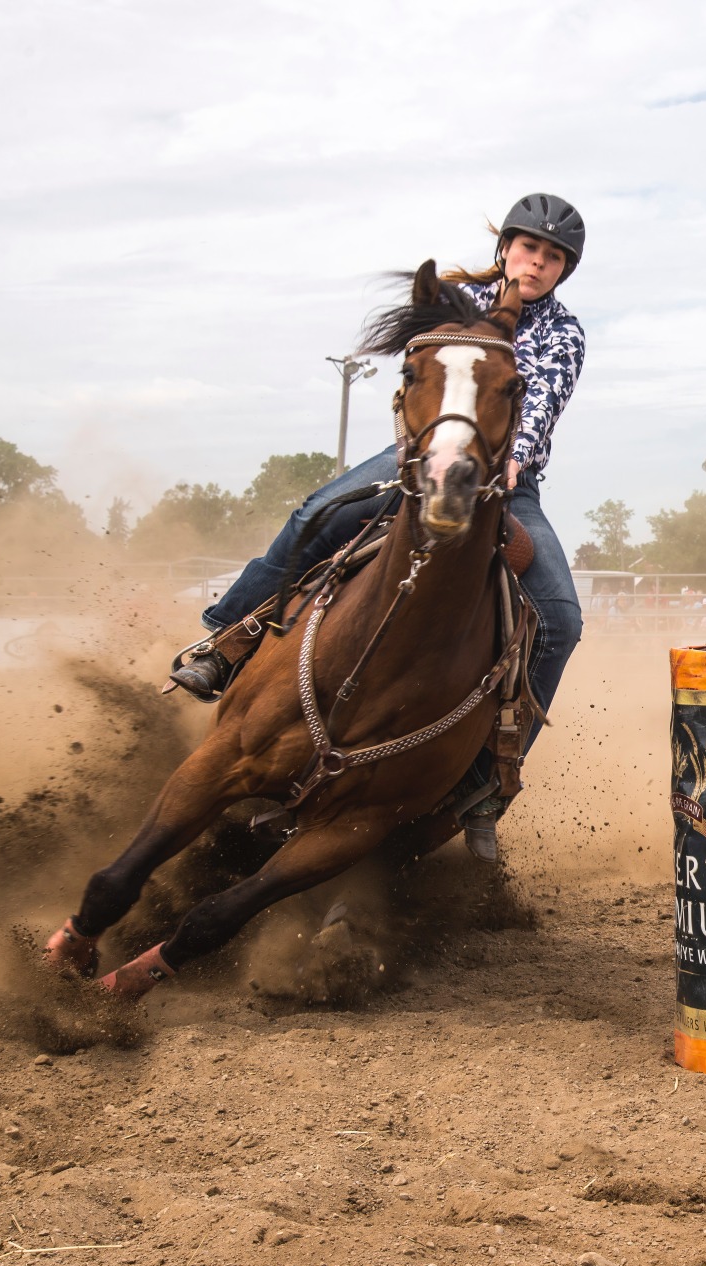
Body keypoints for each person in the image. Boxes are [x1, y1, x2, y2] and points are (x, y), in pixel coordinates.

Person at [169, 194, 589, 860]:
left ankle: (486, 783)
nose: (537, 262)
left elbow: (540, 402)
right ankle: (227, 640)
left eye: (553, 256)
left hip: (507, 478)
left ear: (565, 269)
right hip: (423, 458)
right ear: (505, 247)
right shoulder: (455, 304)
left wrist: (510, 460)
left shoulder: (563, 332)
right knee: (320, 513)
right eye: (528, 247)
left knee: (561, 619)